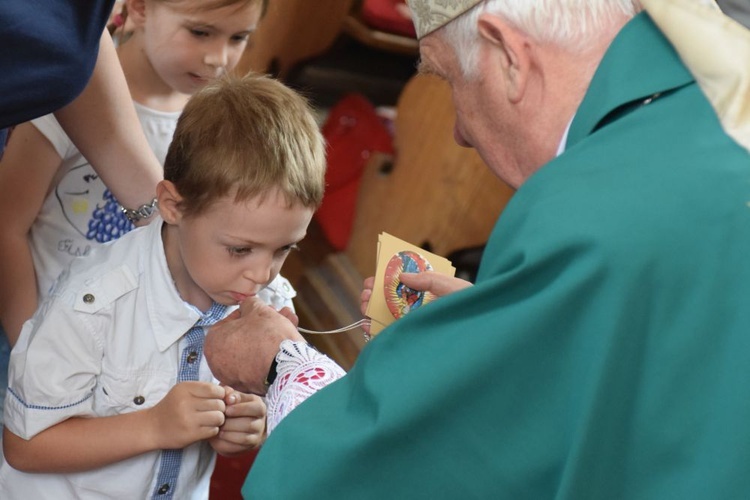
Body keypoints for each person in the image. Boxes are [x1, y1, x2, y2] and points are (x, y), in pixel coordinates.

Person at [203, 0, 750, 497]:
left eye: (446, 78)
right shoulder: (703, 106)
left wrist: (283, 365)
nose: (460, 132)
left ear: (509, 54)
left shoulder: (586, 209)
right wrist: (501, 329)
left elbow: (409, 471)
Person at [0, 72, 327, 499]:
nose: (263, 274)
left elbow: (267, 414)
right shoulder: (92, 304)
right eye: (239, 249)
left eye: (285, 249)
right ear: (173, 205)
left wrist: (251, 423)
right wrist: (153, 426)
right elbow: (25, 447)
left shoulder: (268, 303)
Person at [0, 0, 264, 425]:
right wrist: (31, 344)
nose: (218, 57)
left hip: (123, 360)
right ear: (140, 9)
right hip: (35, 331)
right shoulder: (56, 94)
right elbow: (7, 227)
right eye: (200, 32)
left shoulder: (209, 127)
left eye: (238, 38)